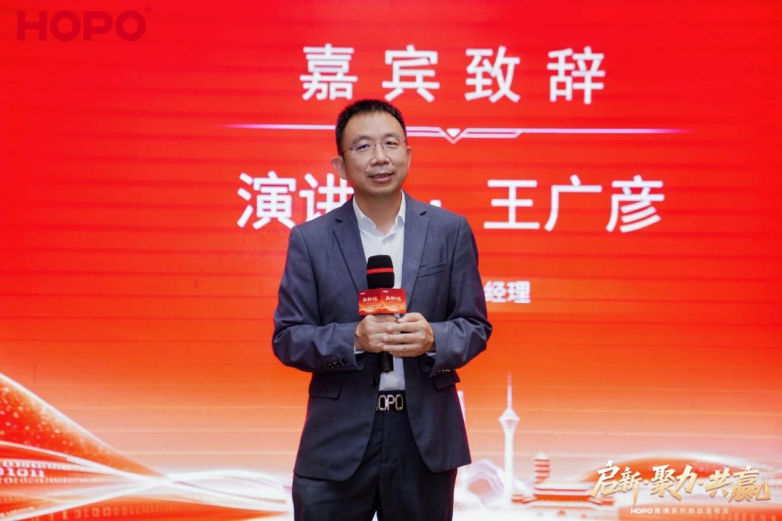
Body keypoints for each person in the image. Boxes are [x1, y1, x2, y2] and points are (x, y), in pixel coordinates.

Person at [272, 99, 491, 521]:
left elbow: (475, 325)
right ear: (340, 166)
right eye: (363, 146)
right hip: (337, 437)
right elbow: (288, 337)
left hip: (424, 437)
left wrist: (434, 338)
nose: (379, 157)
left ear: (408, 154)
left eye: (391, 143)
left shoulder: (449, 231)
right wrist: (352, 338)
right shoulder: (310, 240)